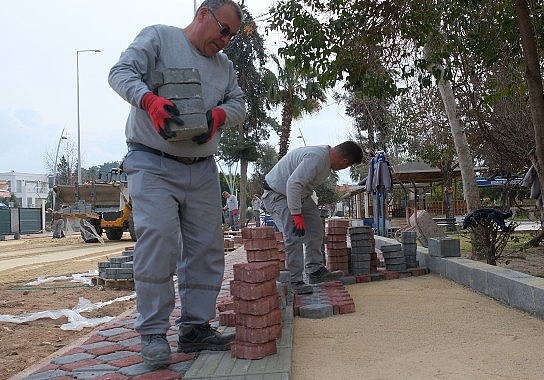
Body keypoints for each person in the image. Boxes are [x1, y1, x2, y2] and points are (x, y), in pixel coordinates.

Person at [107, 0, 245, 369]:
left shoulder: (224, 67)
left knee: (206, 250)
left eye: (232, 36)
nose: (226, 40)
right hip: (152, 161)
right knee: (159, 241)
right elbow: (120, 72)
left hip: (201, 168)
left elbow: (239, 104)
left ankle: (195, 328)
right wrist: (148, 100)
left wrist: (218, 115)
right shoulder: (159, 38)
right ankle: (153, 332)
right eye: (224, 30)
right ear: (203, 14)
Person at [262, 141, 363, 294]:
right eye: (347, 166)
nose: (344, 168)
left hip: (300, 195)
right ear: (344, 161)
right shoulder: (317, 157)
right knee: (294, 237)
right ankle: (295, 281)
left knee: (315, 229)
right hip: (277, 194)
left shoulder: (325, 161)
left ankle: (315, 271)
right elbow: (293, 183)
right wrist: (296, 214)